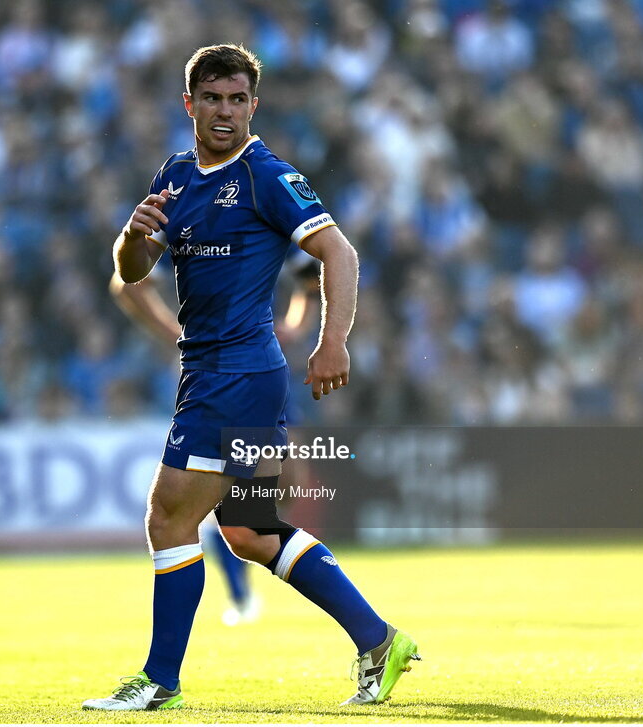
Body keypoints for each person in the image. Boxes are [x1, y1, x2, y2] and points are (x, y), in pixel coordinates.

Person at [82, 44, 419, 712]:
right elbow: (133, 269)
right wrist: (131, 235)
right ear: (190, 104)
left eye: (238, 99)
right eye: (213, 99)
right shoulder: (176, 176)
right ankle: (380, 641)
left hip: (235, 376)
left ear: (253, 105)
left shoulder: (267, 175)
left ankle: (159, 679)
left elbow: (338, 251)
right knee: (247, 530)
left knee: (168, 515)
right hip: (215, 372)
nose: (226, 112)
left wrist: (333, 342)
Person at [109, 249, 320, 627]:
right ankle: (238, 585)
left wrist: (296, 326)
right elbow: (128, 284)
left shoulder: (268, 212)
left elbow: (313, 276)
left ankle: (232, 548)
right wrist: (176, 335)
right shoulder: (184, 215)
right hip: (212, 373)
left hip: (263, 368)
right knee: (227, 494)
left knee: (286, 487)